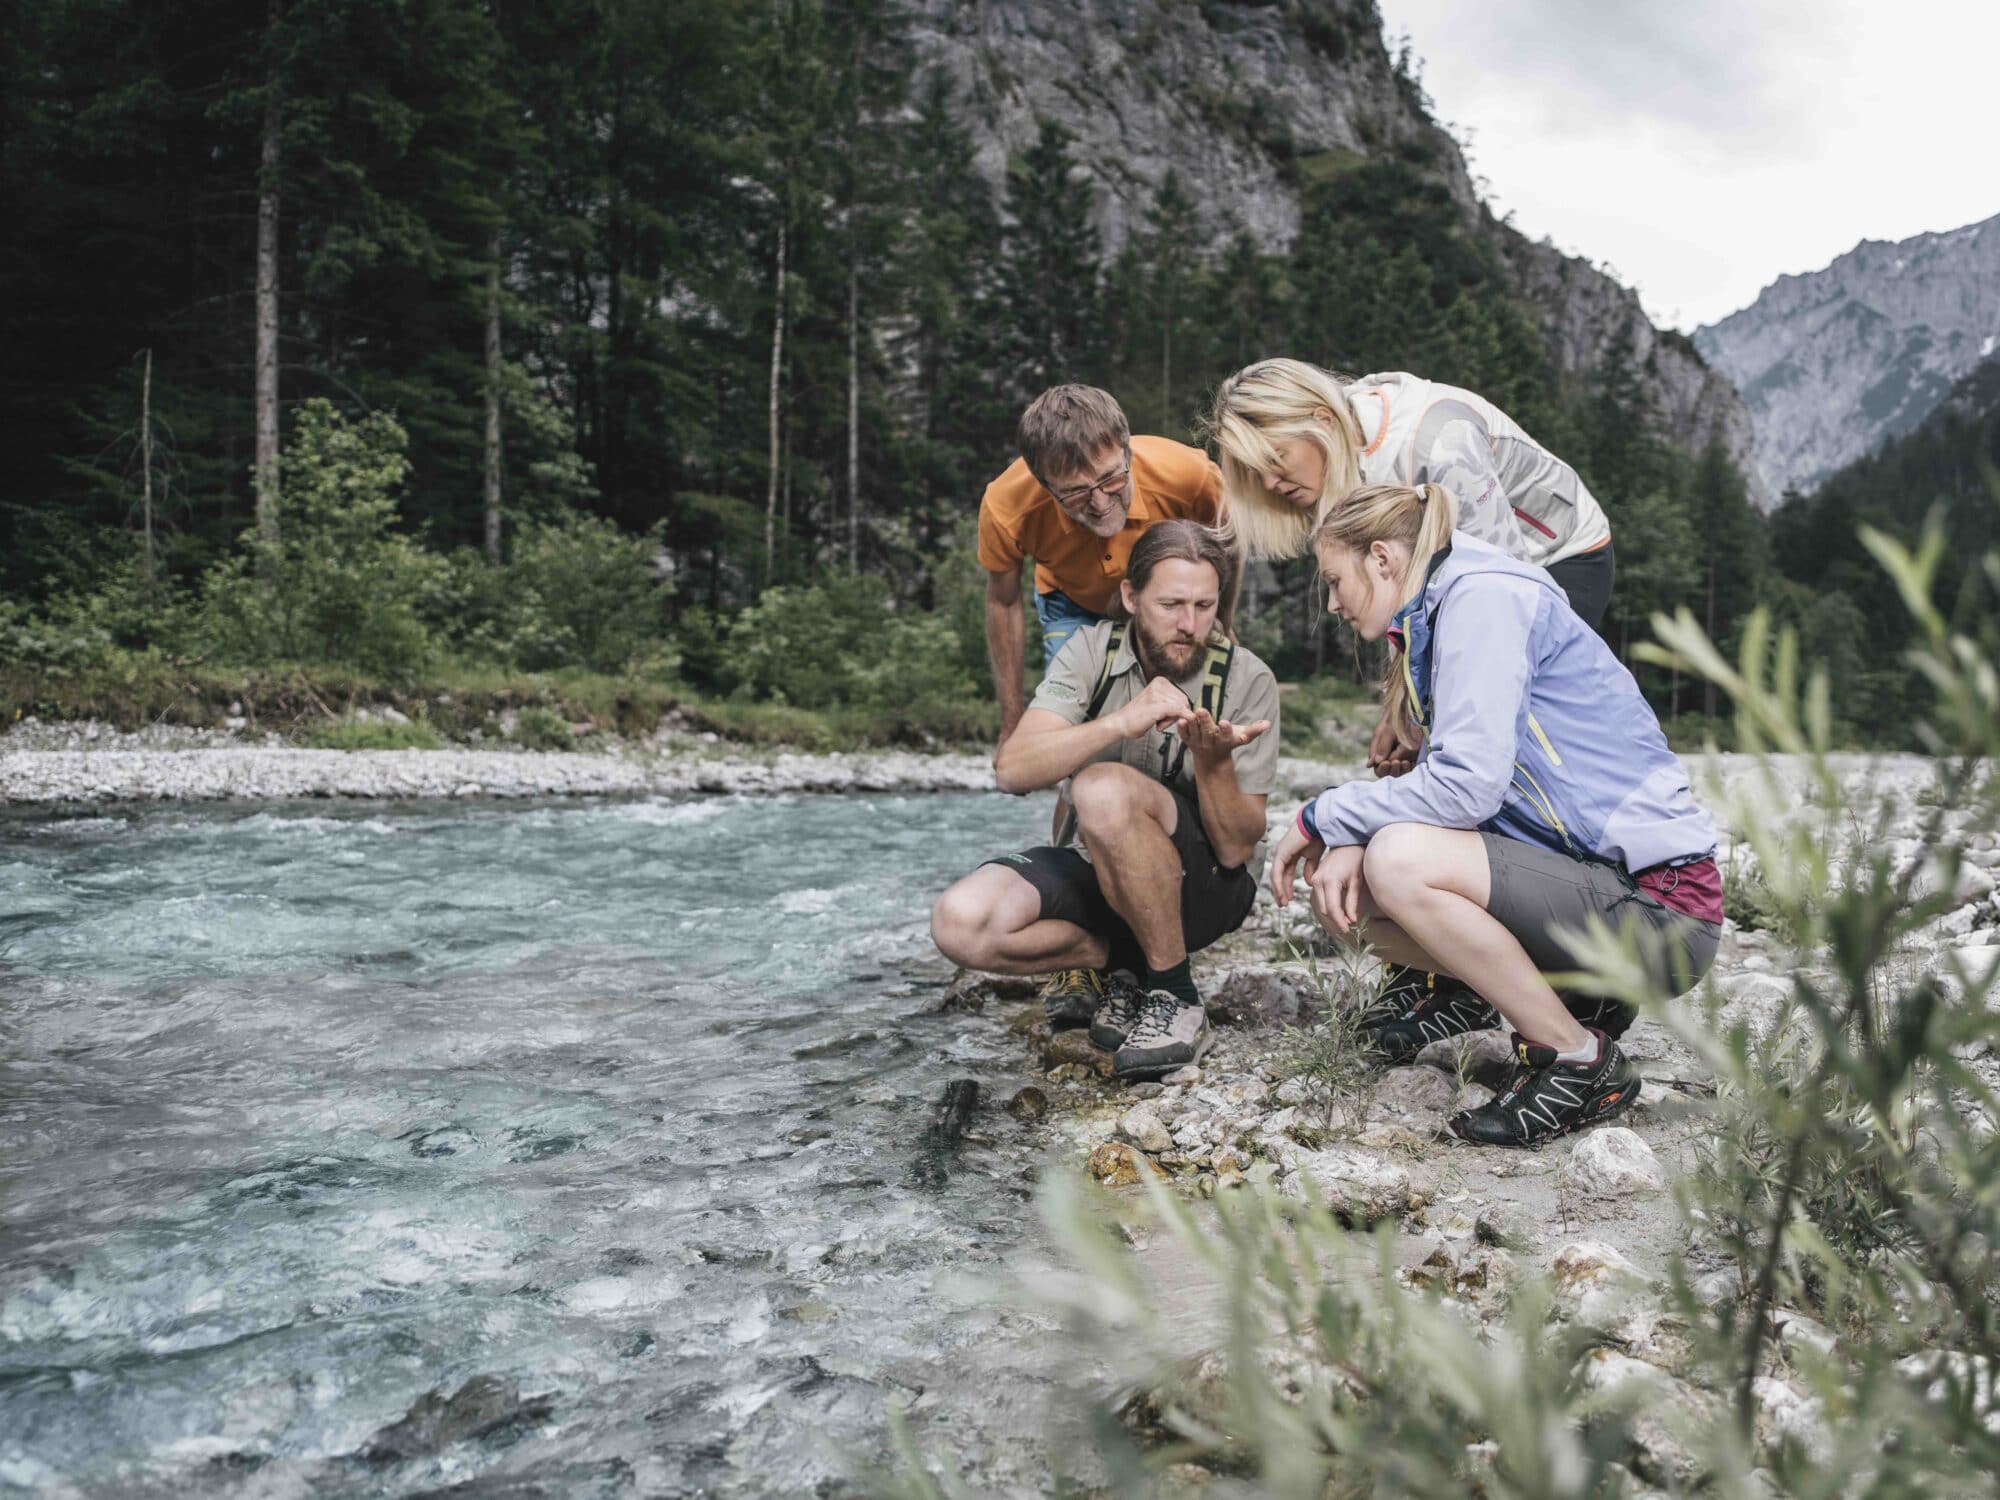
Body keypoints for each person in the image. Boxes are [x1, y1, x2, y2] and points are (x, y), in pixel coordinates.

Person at [1265, 481, 1722, 1147]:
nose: (1332, 603)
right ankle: (1576, 1000)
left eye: (1335, 580)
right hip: (1595, 890)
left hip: (1665, 913)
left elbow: (1467, 790)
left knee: (1397, 863)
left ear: (1384, 559)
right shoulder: (1448, 606)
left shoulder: (1483, 600)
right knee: (1348, 890)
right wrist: (1346, 836)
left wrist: (1324, 816)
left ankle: (1576, 1060)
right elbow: (1461, 790)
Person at [1208, 358, 1621, 1018]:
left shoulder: (1434, 445)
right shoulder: (1336, 456)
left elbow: (1498, 600)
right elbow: (1404, 597)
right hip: (1476, 581)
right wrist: (1399, 706)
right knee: (1427, 745)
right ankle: (1452, 954)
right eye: (1252, 475)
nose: (1270, 483)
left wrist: (1418, 714)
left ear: (1320, 419)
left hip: (1554, 558)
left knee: (1488, 749)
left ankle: (1522, 956)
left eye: (1275, 460)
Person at [932, 521, 1279, 1082]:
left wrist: (1213, 763)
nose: (1189, 624)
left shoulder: (1246, 677)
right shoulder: (1089, 651)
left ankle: (1174, 994)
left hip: (1206, 889)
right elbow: (1012, 769)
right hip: (1103, 876)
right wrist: (1120, 720)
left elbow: (1239, 849)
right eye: (1170, 604)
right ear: (1129, 596)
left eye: (1204, 606)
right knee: (959, 923)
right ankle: (1120, 963)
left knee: (1100, 787)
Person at [979, 385, 1224, 746]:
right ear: (1044, 485)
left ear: (1127, 450)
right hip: (1071, 601)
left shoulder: (1190, 475)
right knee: (1075, 734)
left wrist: (1226, 622)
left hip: (1168, 604)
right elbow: (1003, 602)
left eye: (1112, 479)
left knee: (1181, 728)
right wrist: (1012, 724)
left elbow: (1228, 547)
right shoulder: (1006, 507)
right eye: (1076, 492)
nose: (1099, 503)